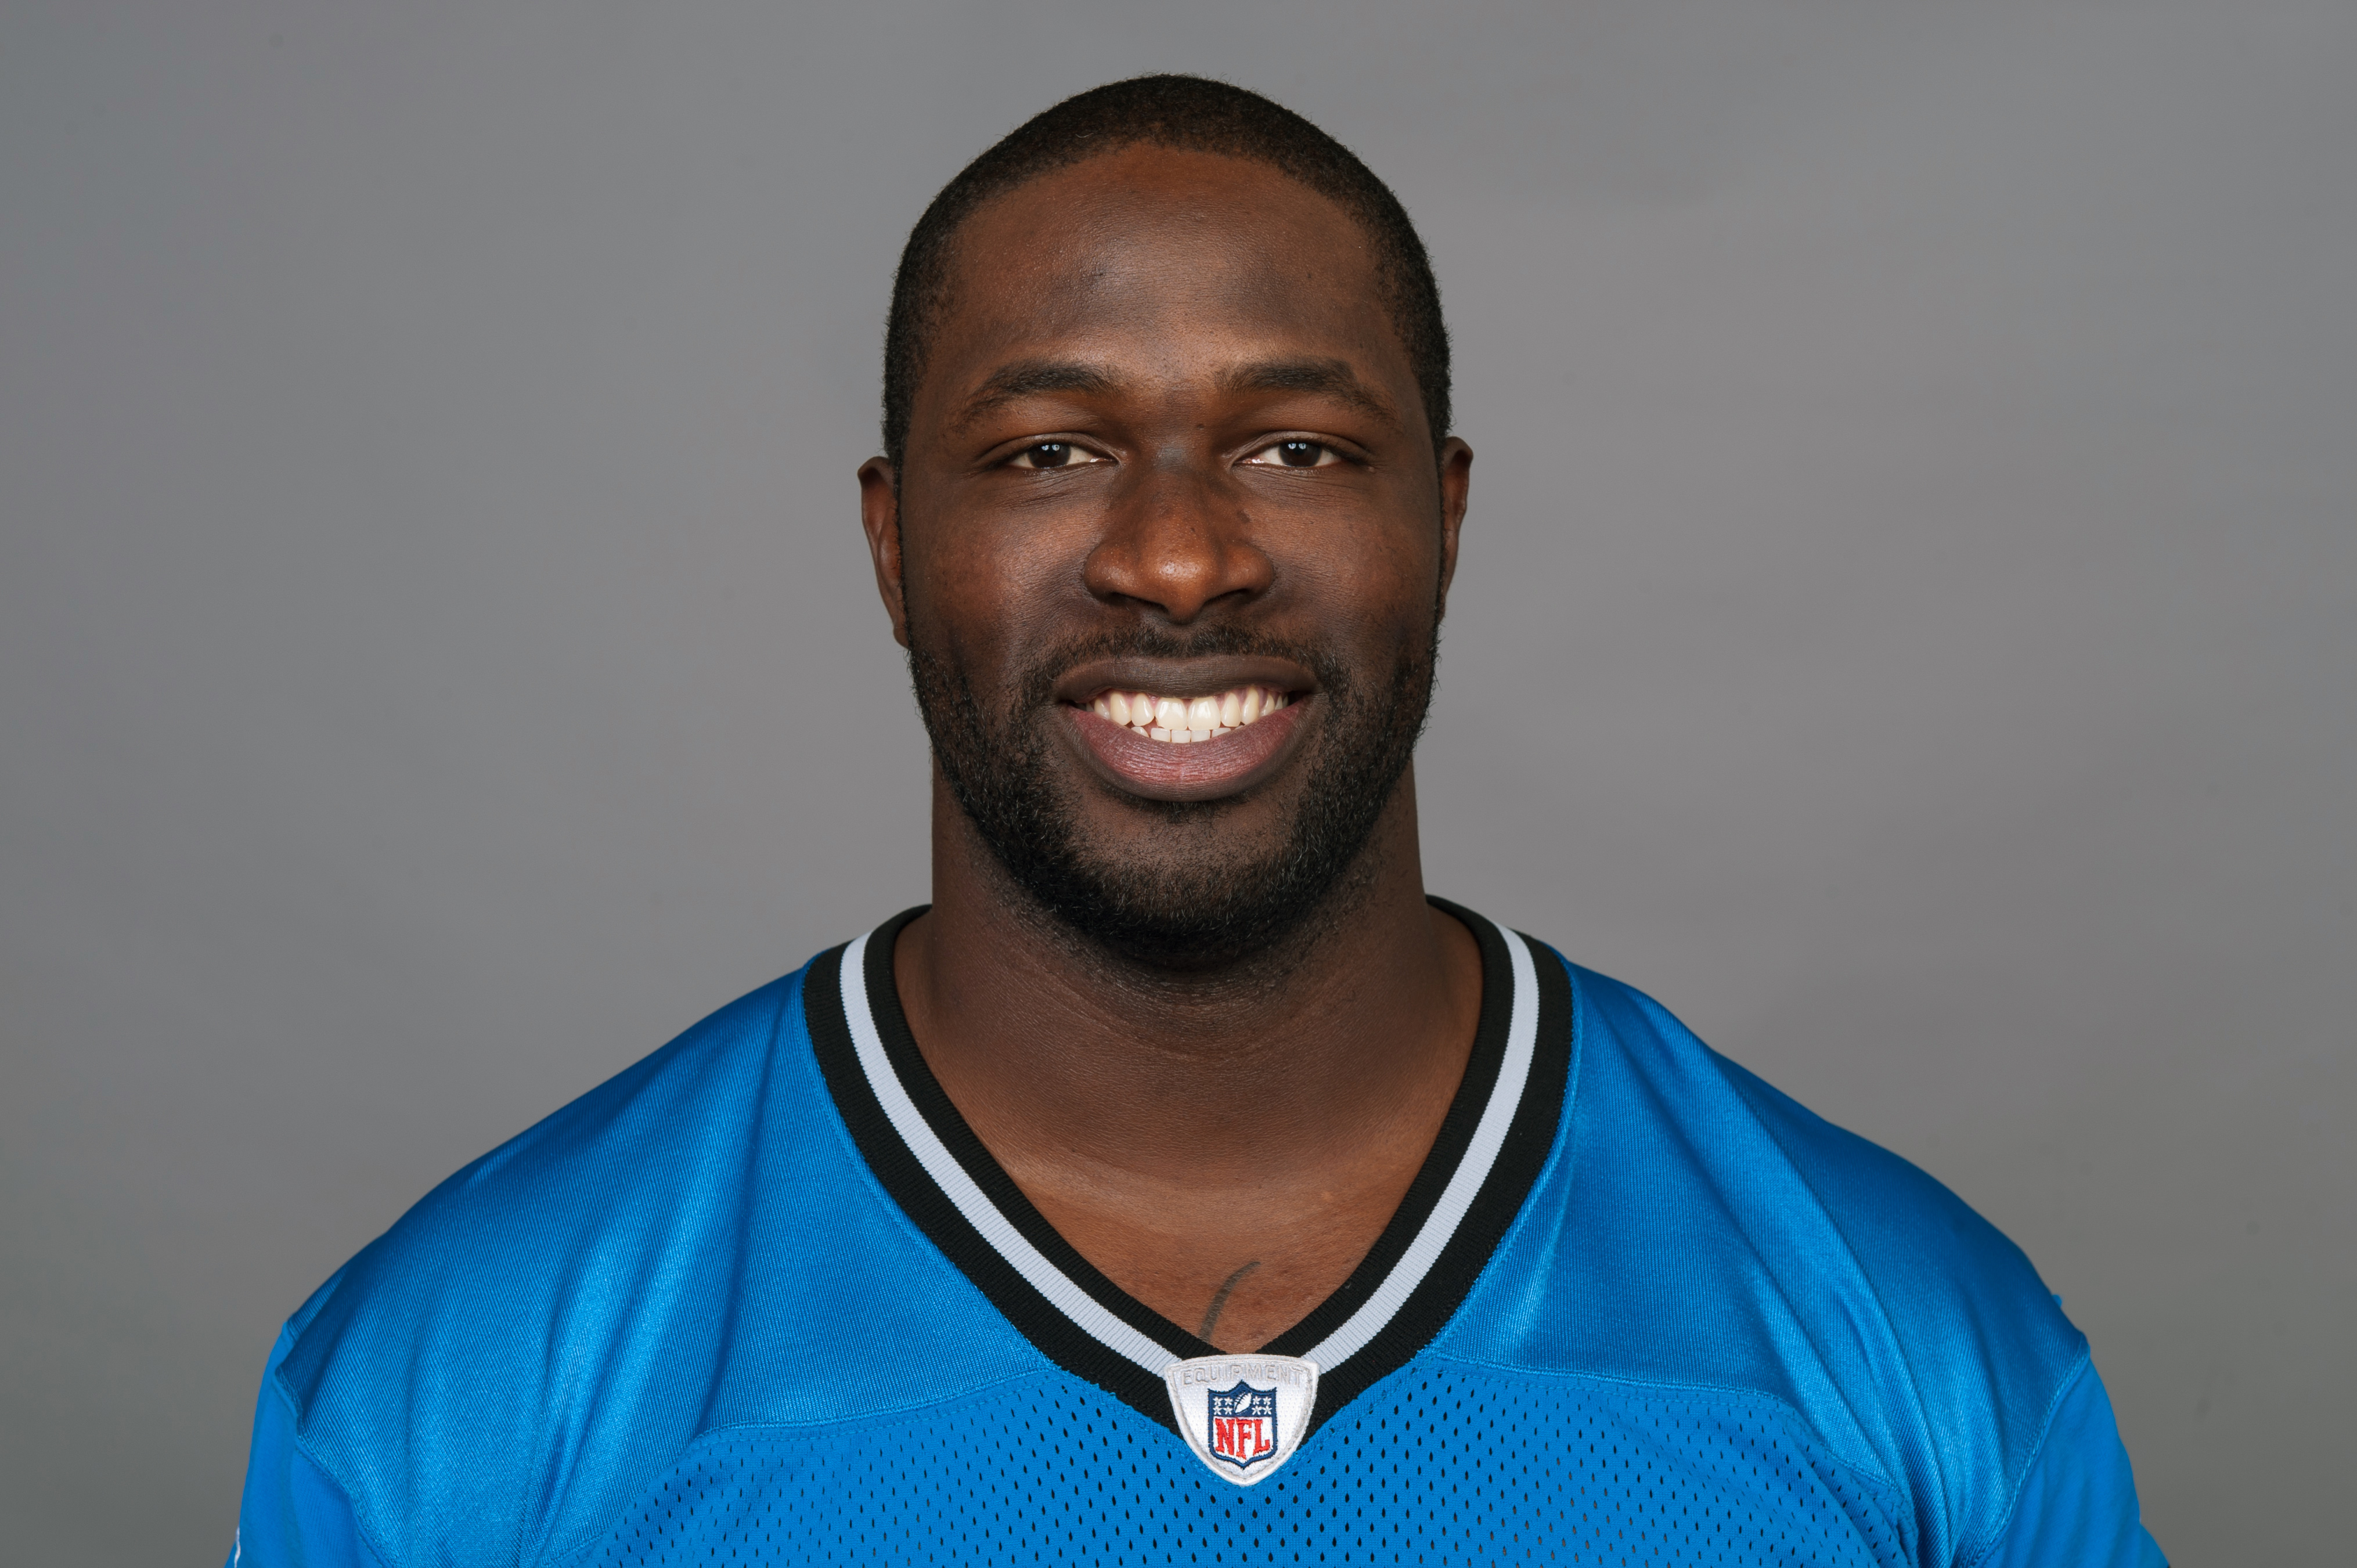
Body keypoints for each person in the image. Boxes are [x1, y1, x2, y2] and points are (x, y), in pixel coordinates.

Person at [228, 75, 2164, 1567]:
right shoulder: (463, 1379)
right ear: (895, 542)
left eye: (1295, 447)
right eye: (1048, 450)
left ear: (1442, 521)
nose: (1176, 557)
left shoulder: (1904, 1340)